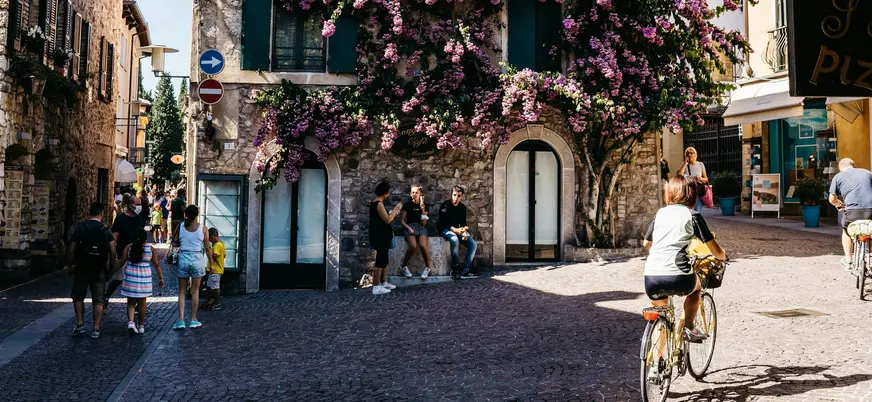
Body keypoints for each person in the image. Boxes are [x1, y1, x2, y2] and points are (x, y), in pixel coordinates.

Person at [642, 176, 727, 345]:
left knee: (661, 317)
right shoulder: (693, 215)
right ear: (693, 195)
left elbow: (646, 243)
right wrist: (724, 255)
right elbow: (715, 251)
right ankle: (689, 326)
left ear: (670, 194)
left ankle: (654, 367)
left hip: (651, 276)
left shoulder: (660, 214)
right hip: (679, 275)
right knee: (696, 289)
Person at [67, 203, 116, 339]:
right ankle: (96, 328)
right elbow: (113, 251)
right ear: (101, 213)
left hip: (82, 267)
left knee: (78, 296)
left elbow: (71, 249)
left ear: (90, 212)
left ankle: (80, 324)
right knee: (98, 299)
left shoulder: (81, 228)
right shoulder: (105, 230)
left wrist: (70, 265)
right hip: (99, 268)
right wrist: (110, 268)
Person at [173, 204, 213, 329]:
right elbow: (207, 248)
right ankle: (193, 319)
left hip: (184, 258)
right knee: (195, 291)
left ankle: (180, 320)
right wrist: (211, 263)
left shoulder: (181, 226)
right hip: (197, 258)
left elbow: (175, 241)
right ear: (197, 215)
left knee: (182, 291)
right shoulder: (203, 228)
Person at [117, 228, 164, 335]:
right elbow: (156, 264)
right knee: (142, 304)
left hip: (130, 279)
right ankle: (141, 326)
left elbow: (121, 261)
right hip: (144, 280)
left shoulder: (129, 248)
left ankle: (131, 323)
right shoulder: (150, 249)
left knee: (131, 302)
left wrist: (111, 272)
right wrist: (160, 277)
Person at [828, 158, 872, 270]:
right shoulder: (867, 173)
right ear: (854, 165)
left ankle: (848, 260)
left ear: (840, 168)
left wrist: (839, 204)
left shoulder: (838, 176)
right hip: (871, 210)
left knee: (846, 231)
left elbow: (832, 199)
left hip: (852, 212)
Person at [107, 194, 145, 310]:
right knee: (118, 279)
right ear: (130, 205)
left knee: (137, 281)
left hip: (137, 254)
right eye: (137, 204)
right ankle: (106, 297)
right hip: (122, 253)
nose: (139, 207)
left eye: (140, 204)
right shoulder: (121, 218)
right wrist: (113, 253)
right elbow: (114, 236)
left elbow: (142, 236)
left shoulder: (140, 219)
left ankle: (137, 304)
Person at [370, 182, 404, 295]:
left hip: (383, 235)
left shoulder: (378, 203)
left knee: (384, 259)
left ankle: (383, 282)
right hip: (380, 236)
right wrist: (396, 209)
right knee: (380, 260)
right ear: (385, 192)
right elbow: (387, 219)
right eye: (388, 191)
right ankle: (376, 286)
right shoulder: (378, 204)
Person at [438, 185, 478, 279]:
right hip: (445, 230)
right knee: (455, 240)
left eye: (458, 196)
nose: (456, 198)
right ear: (451, 195)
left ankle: (466, 269)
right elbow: (444, 223)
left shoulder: (462, 208)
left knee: (473, 244)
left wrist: (464, 231)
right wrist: (456, 230)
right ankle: (455, 267)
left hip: (458, 230)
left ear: (462, 196)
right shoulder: (445, 205)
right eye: (454, 195)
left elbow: (463, 223)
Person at [400, 185, 433, 279]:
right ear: (410, 194)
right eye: (413, 192)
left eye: (416, 192)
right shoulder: (407, 205)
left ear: (420, 194)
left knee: (422, 245)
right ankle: (403, 266)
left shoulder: (424, 205)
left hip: (421, 227)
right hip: (409, 226)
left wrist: (422, 209)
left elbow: (424, 223)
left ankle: (428, 267)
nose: (414, 194)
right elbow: (402, 221)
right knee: (413, 245)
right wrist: (408, 228)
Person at [676, 147, 708, 212]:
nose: (690, 155)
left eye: (691, 153)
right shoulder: (684, 165)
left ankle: (696, 222)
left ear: (695, 154)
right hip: (688, 191)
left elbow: (706, 179)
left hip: (697, 191)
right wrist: (685, 163)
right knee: (689, 211)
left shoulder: (700, 164)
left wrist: (700, 178)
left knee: (697, 211)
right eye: (688, 153)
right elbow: (679, 175)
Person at [203, 228, 225, 310]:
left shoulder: (218, 245)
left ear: (213, 237)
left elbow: (214, 255)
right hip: (216, 270)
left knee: (215, 287)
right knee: (210, 286)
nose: (209, 241)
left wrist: (208, 249)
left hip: (215, 270)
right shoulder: (221, 244)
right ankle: (209, 301)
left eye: (210, 239)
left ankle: (217, 303)